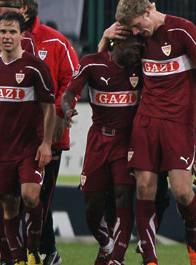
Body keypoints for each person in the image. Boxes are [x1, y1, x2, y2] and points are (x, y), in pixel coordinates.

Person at [99, 0, 196, 265]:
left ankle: (193, 240)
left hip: (179, 124)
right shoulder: (137, 37)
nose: (135, 31)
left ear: (147, 12)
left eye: (136, 25)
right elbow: (100, 68)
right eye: (130, 28)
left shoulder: (182, 29)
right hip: (145, 121)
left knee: (181, 191)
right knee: (144, 187)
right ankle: (150, 258)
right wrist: (106, 36)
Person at [0, 11, 55, 265]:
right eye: (3, 31)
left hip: (28, 147)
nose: (7, 36)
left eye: (12, 32)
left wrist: (47, 142)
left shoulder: (35, 66)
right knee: (7, 202)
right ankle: (17, 259)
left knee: (30, 196)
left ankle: (33, 249)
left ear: (22, 35)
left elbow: (48, 106)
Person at [12, 0, 80, 265]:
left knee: (38, 198)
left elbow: (73, 83)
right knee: (10, 198)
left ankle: (42, 252)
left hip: (48, 137)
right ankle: (29, 253)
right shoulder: (3, 40)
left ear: (23, 10)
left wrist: (58, 116)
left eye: (8, 8)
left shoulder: (55, 42)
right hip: (11, 136)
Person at [61, 36, 143, 265]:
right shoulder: (92, 63)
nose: (138, 51)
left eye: (140, 47)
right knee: (92, 205)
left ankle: (117, 259)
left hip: (127, 142)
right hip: (98, 139)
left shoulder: (141, 66)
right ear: (118, 43)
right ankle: (106, 246)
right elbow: (68, 95)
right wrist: (68, 110)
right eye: (134, 46)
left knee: (123, 197)